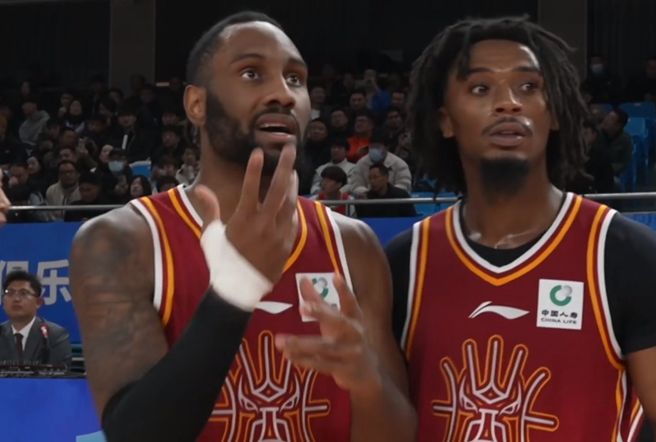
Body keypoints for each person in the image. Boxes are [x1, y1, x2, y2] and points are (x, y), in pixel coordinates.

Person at [69, 11, 414, 442]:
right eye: (252, 73)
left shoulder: (352, 244)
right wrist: (234, 291)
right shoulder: (121, 241)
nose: (283, 93)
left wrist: (368, 384)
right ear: (197, 104)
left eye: (295, 79)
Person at [387, 16, 656, 441]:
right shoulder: (403, 263)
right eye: (481, 88)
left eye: (529, 86)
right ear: (445, 120)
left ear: (554, 114)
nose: (509, 103)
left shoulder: (626, 253)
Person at [0, 270, 72, 369]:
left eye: (23, 293)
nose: (16, 299)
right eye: (10, 293)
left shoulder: (55, 335)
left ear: (38, 302)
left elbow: (59, 374)